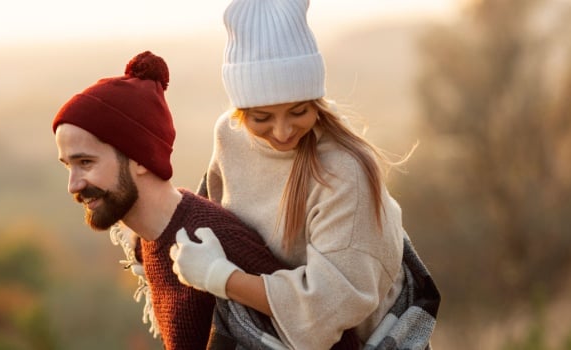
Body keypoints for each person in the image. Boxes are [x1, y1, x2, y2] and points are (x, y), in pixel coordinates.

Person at [170, 0, 440, 349]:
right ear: (239, 113)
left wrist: (220, 278)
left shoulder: (344, 173)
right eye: (261, 118)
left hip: (368, 338)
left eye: (298, 111)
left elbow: (327, 309)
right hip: (271, 325)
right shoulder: (229, 136)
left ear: (316, 100)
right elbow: (210, 211)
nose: (282, 132)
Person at [51, 51, 359, 349]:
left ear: (140, 159)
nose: (73, 184)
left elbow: (335, 338)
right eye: (68, 165)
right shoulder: (150, 243)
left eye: (86, 163)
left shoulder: (206, 238)